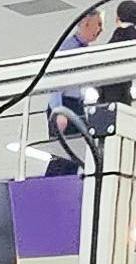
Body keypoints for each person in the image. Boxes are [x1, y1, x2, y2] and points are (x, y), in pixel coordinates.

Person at [45, 8, 103, 177]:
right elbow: (56, 79)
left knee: (76, 153)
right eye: (98, 24)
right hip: (64, 104)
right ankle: (51, 184)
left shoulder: (85, 49)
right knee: (62, 154)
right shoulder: (69, 47)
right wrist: (58, 110)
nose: (101, 30)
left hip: (76, 105)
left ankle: (67, 182)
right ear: (86, 23)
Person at [97, 1, 136, 107]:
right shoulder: (135, 36)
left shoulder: (120, 34)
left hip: (113, 87)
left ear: (118, 15)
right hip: (122, 88)